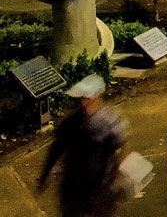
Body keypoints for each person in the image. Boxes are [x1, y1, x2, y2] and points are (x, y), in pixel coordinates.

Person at [37, 74, 128, 217]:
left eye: (90, 99)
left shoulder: (110, 122)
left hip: (100, 186)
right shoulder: (70, 124)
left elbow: (117, 151)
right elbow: (55, 149)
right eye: (84, 99)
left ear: (98, 97)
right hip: (73, 186)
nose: (86, 104)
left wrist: (116, 180)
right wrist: (44, 175)